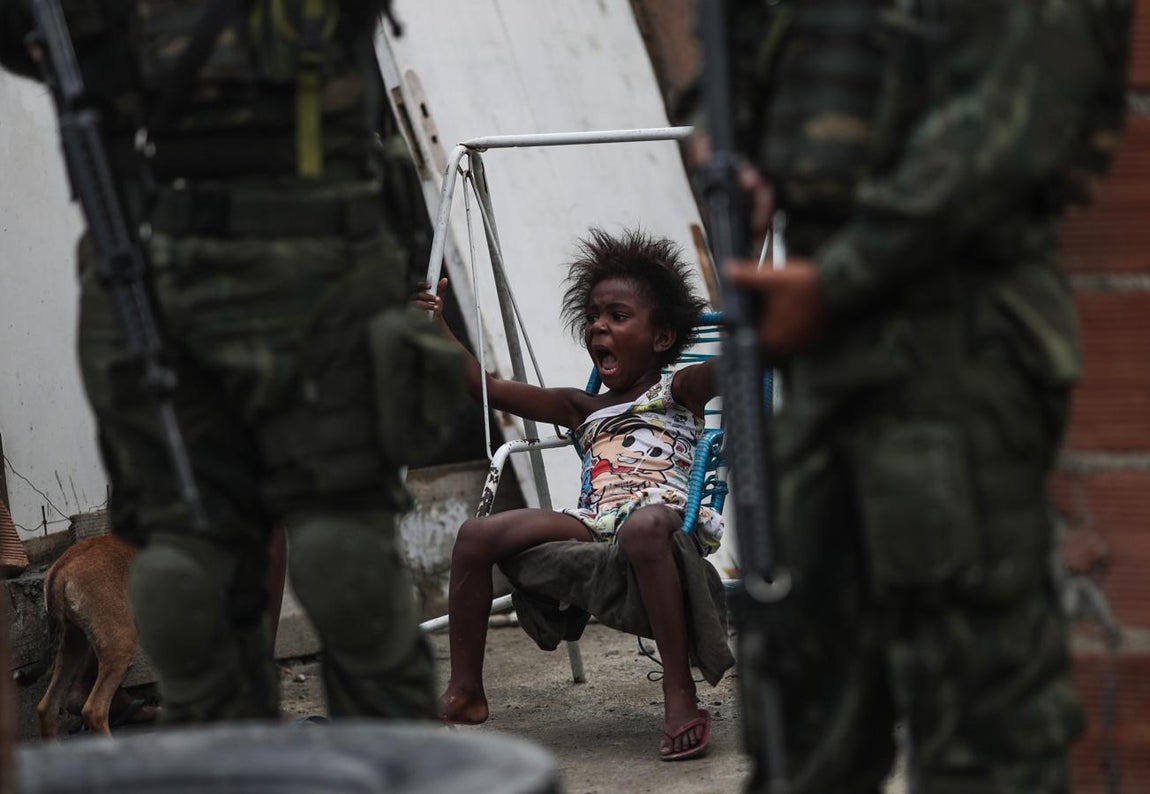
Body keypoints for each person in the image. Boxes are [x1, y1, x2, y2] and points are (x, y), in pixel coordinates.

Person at [707, 1, 1133, 791]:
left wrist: (838, 280)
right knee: (802, 707)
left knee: (980, 720)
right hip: (823, 351)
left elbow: (1011, 119)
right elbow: (744, 54)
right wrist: (742, 151)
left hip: (954, 347)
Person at [0, 1, 455, 723]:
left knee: (333, 545)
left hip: (303, 278)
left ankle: (367, 737)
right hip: (172, 282)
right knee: (194, 547)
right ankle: (228, 728)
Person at [416, 228, 722, 760]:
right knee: (476, 534)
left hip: (663, 515)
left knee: (643, 526)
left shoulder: (679, 391)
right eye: (593, 317)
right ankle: (466, 691)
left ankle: (680, 695)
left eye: (618, 316)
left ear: (662, 338)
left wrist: (765, 320)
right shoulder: (581, 407)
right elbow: (485, 387)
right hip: (596, 519)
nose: (599, 326)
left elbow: (737, 367)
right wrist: (437, 324)